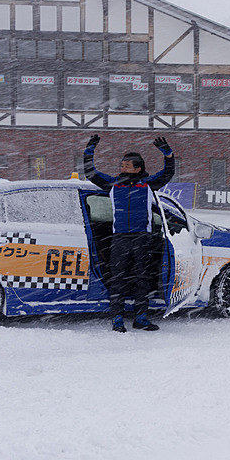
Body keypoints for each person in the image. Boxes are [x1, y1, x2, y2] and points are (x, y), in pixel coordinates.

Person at [84, 134, 175, 333]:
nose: (122, 168)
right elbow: (91, 173)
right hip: (120, 239)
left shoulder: (148, 185)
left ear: (138, 168)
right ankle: (117, 319)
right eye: (122, 165)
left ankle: (141, 317)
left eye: (126, 165)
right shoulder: (114, 184)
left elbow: (167, 173)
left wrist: (168, 154)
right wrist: (90, 149)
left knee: (143, 279)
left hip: (143, 238)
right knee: (118, 279)